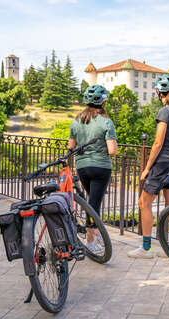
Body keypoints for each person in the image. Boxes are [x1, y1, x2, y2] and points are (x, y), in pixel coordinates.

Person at [127, 74, 169, 259]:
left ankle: (146, 248)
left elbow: (157, 143)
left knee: (144, 203)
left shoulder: (164, 111)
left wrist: (147, 169)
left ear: (158, 92)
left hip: (162, 163)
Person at [68, 85, 117, 251]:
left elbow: (71, 146)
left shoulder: (76, 121)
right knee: (94, 204)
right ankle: (90, 242)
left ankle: (96, 234)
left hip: (82, 166)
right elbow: (113, 150)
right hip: (101, 167)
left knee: (92, 201)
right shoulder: (106, 122)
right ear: (103, 102)